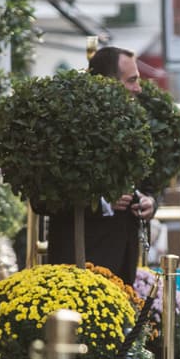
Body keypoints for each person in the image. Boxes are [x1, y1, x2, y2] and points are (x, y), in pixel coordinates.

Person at [43, 46, 156, 285]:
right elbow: (44, 198)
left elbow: (148, 185)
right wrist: (101, 202)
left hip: (124, 266)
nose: (138, 88)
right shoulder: (68, 128)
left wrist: (149, 202)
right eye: (132, 80)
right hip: (78, 269)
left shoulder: (135, 125)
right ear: (108, 82)